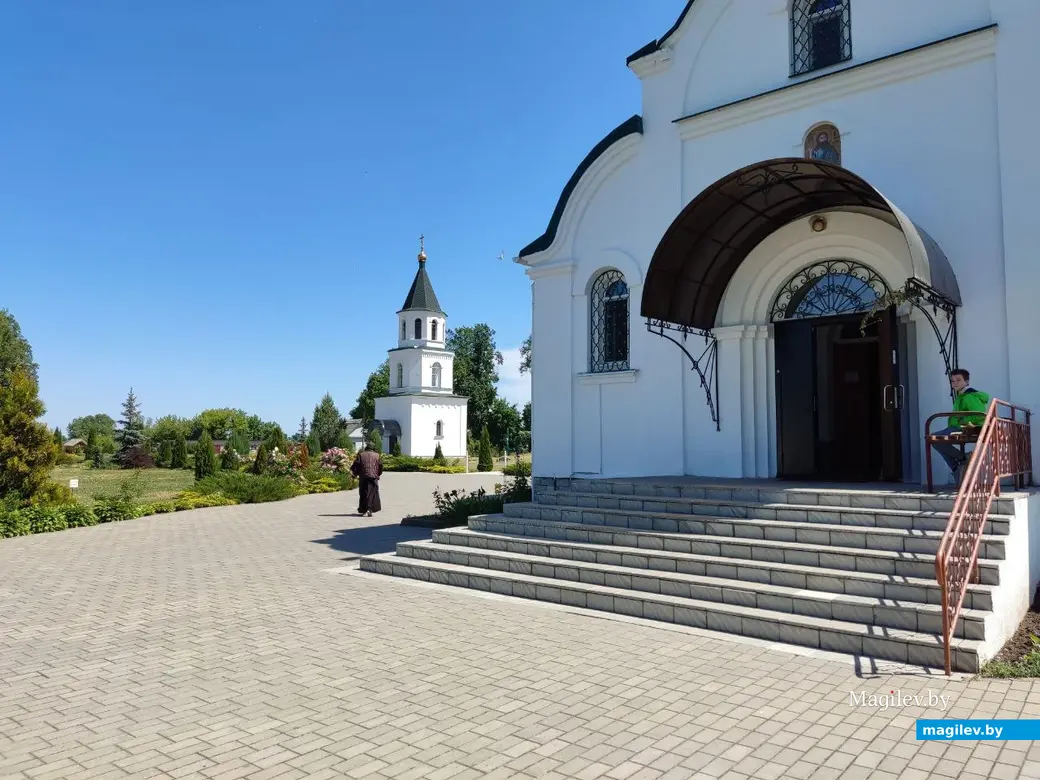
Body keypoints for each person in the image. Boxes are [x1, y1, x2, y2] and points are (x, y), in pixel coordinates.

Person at [930, 368, 990, 482]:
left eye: (958, 380)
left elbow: (979, 415)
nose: (955, 383)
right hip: (958, 426)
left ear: (966, 382)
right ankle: (958, 466)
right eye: (952, 381)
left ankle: (961, 460)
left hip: (966, 427)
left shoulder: (969, 396)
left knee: (935, 439)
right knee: (934, 439)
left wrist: (961, 421)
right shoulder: (961, 395)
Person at [350, 442, 383, 517]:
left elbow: (356, 465)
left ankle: (365, 509)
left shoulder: (361, 455)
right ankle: (369, 509)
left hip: (363, 476)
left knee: (363, 493)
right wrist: (378, 474)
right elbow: (380, 466)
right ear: (373, 448)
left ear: (366, 447)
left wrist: (355, 473)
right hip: (373, 477)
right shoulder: (377, 455)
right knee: (372, 493)